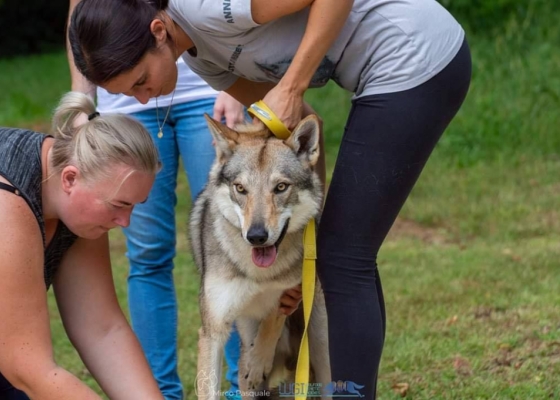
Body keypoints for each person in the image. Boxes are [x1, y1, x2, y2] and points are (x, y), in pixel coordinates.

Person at [68, 0, 472, 398]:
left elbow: (293, 94)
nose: (143, 99)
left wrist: (294, 83)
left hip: (414, 54)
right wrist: (312, 221)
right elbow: (296, 125)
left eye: (140, 81)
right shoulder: (200, 60)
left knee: (344, 260)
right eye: (129, 94)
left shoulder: (206, 8)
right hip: (391, 71)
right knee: (336, 256)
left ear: (159, 32)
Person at [65, 1, 245, 398]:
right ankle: (156, 393)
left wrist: (238, 81)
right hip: (126, 107)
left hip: (209, 88)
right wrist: (83, 101)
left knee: (230, 252)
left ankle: (241, 389)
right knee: (146, 254)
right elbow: (81, 17)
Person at [0, 91, 164, 400]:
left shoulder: (79, 207)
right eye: (119, 204)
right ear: (70, 179)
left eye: (134, 206)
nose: (124, 222)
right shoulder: (7, 202)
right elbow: (27, 370)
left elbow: (102, 330)